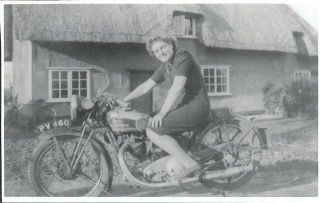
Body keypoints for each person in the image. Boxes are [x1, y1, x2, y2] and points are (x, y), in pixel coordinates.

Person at [123, 35, 210, 179]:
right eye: (156, 51)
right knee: (149, 118)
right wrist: (123, 100)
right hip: (185, 105)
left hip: (197, 106)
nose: (160, 52)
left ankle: (190, 164)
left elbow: (177, 87)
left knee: (153, 130)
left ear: (170, 44)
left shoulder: (182, 56)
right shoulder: (166, 66)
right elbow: (145, 86)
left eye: (162, 47)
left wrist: (162, 113)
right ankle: (167, 161)